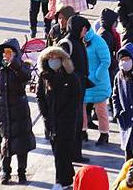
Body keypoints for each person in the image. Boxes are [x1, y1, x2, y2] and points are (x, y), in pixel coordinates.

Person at [0, 39, 36, 185]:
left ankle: (21, 171)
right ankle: (5, 170)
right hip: (2, 113)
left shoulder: (21, 67)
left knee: (21, 144)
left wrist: (15, 63)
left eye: (9, 52)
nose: (6, 55)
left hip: (19, 112)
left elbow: (26, 77)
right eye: (4, 52)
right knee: (4, 143)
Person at [37, 44, 82, 190]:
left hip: (67, 121)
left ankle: (60, 181)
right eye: (50, 58)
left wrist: (67, 115)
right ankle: (68, 177)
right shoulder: (44, 78)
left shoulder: (71, 77)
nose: (53, 60)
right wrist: (45, 115)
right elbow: (40, 97)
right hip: (51, 121)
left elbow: (76, 98)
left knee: (62, 150)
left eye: (56, 57)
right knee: (57, 151)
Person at [82, 22, 112, 147]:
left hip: (98, 82)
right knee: (81, 109)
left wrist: (95, 77)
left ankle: (104, 134)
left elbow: (106, 61)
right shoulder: (79, 41)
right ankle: (82, 132)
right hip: (84, 82)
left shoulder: (98, 41)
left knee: (101, 110)